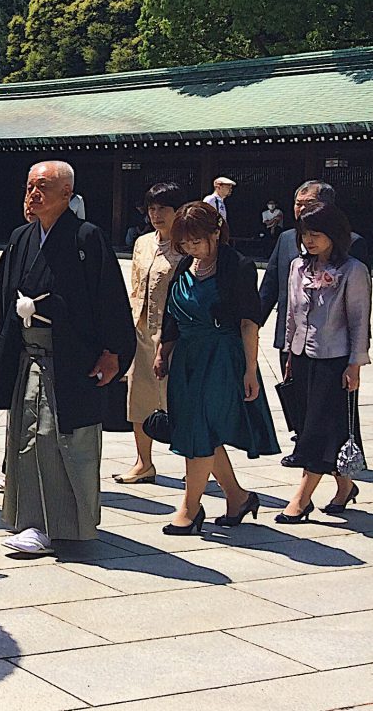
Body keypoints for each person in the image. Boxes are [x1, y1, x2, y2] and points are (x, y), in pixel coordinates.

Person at [0, 160, 134, 556]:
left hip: (71, 358)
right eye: (30, 186)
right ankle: (31, 521)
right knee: (25, 437)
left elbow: (110, 298)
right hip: (27, 353)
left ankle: (66, 524)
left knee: (60, 438)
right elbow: (5, 294)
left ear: (67, 194)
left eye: (43, 187)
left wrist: (113, 352)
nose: (33, 194)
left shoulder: (86, 238)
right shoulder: (21, 237)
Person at [155, 202, 279, 534]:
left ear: (216, 232)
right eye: (184, 242)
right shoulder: (184, 266)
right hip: (187, 356)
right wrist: (162, 352)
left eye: (196, 240)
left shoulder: (238, 267)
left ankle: (190, 507)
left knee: (199, 429)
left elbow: (249, 322)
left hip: (221, 357)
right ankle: (238, 497)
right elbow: (171, 316)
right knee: (201, 430)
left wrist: (250, 370)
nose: (190, 247)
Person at [278, 201, 367, 520]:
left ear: (334, 234)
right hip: (302, 356)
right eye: (305, 234)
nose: (309, 241)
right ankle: (345, 487)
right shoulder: (297, 267)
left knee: (317, 429)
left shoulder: (353, 270)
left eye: (316, 234)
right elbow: (290, 312)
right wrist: (288, 351)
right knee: (318, 426)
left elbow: (359, 321)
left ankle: (301, 500)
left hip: (335, 358)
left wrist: (355, 364)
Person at [115, 182, 184, 484]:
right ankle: (144, 462)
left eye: (163, 209)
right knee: (139, 396)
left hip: (174, 333)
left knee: (178, 399)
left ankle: (192, 462)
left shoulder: (186, 246)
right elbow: (134, 286)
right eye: (152, 209)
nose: (156, 215)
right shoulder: (142, 242)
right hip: (141, 330)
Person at [258, 181, 370, 359]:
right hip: (292, 340)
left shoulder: (352, 243)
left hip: (333, 346)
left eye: (308, 204)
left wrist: (357, 353)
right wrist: (252, 324)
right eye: (298, 203)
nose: (301, 209)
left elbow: (359, 306)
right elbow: (269, 288)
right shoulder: (286, 239)